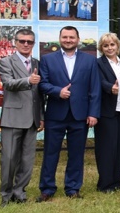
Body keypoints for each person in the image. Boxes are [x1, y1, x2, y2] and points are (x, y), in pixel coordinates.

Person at [37, 26, 101, 201]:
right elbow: (42, 84)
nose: (68, 40)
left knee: (76, 153)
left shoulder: (90, 61)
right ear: (59, 38)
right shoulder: (48, 59)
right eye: (65, 37)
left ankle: (73, 188)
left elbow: (95, 89)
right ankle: (47, 189)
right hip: (55, 114)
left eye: (71, 37)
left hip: (79, 116)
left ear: (78, 39)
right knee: (50, 153)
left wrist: (93, 113)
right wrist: (58, 91)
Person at [0, 29, 44, 206]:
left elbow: (39, 95)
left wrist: (41, 116)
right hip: (12, 117)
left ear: (33, 44)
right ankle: (6, 195)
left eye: (30, 42)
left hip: (32, 119)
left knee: (27, 160)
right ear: (15, 42)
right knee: (9, 159)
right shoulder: (5, 61)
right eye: (22, 41)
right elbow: (8, 83)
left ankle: (19, 192)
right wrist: (27, 81)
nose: (26, 44)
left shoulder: (37, 62)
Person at [94, 32, 120, 193]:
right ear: (101, 48)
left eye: (112, 44)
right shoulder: (98, 64)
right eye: (106, 45)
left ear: (118, 46)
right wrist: (110, 88)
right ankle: (105, 184)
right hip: (106, 111)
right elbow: (98, 81)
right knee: (106, 149)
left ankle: (116, 182)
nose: (109, 48)